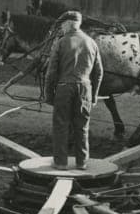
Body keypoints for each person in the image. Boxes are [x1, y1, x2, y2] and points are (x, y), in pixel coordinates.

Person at [42, 11, 103, 170]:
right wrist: (94, 96)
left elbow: (51, 73)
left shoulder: (61, 43)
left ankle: (61, 163)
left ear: (68, 24)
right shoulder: (91, 43)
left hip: (64, 88)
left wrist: (49, 96)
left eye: (62, 25)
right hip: (85, 89)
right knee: (82, 126)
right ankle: (82, 162)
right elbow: (99, 72)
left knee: (61, 125)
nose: (61, 28)